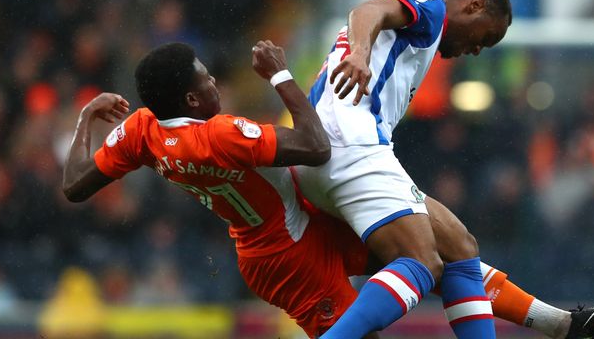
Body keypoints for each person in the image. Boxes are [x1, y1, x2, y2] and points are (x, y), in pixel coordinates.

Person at [294, 0, 594, 339]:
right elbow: (368, 10)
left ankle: (561, 325)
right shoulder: (429, 4)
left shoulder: (419, 38)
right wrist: (360, 53)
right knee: (423, 261)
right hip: (350, 143)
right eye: (484, 38)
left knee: (459, 246)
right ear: (474, 6)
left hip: (322, 151)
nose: (476, 50)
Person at [62, 41, 373, 338]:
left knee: (412, 255)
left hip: (287, 234)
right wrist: (280, 73)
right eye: (205, 78)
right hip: (289, 254)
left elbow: (74, 184)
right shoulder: (220, 136)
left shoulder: (140, 132)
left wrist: (87, 115)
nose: (213, 80)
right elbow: (316, 146)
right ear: (191, 100)